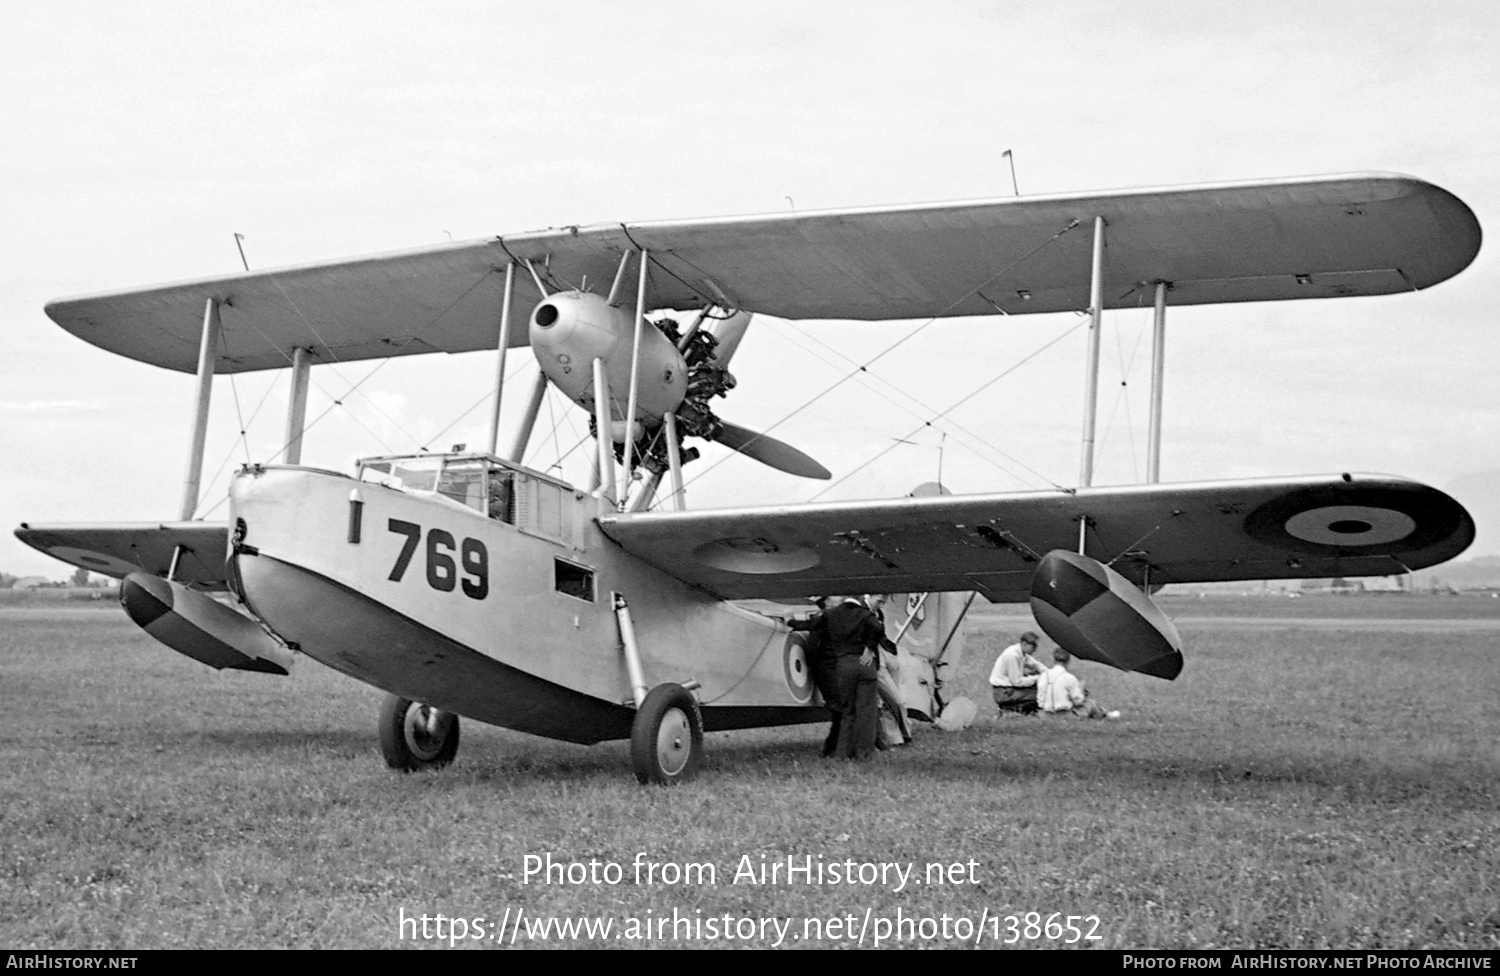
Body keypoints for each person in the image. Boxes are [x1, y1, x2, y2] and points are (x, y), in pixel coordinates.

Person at [809, 595, 888, 760]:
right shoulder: (866, 614)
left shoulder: (831, 614)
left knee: (847, 711)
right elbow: (877, 629)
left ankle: (842, 753)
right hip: (864, 663)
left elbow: (813, 625)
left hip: (844, 663)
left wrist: (792, 624)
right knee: (866, 709)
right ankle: (864, 752)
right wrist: (870, 648)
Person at [787, 596, 842, 756]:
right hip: (828, 669)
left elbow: (804, 625)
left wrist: (789, 620)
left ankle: (832, 748)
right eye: (835, 599)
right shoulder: (827, 618)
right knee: (840, 709)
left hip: (827, 668)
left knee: (839, 709)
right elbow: (808, 625)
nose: (840, 600)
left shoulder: (825, 618)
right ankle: (833, 748)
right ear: (827, 603)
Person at [1035, 646, 1119, 719]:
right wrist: (1081, 690)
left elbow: (1040, 700)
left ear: (1054, 659)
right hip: (1064, 714)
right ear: (1068, 661)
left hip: (1045, 713)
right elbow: (1078, 701)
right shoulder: (1069, 678)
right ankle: (1105, 714)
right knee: (1090, 703)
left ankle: (1104, 713)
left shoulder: (1043, 676)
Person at [989, 631, 1045, 715]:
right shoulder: (1013, 656)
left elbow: (1035, 664)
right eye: (1033, 646)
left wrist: (1049, 674)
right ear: (1024, 643)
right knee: (1040, 693)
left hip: (1007, 689)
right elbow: (1017, 682)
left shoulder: (1020, 652)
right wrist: (1037, 678)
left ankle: (1023, 711)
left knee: (1037, 686)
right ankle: (1011, 710)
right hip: (1004, 692)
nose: (1035, 649)